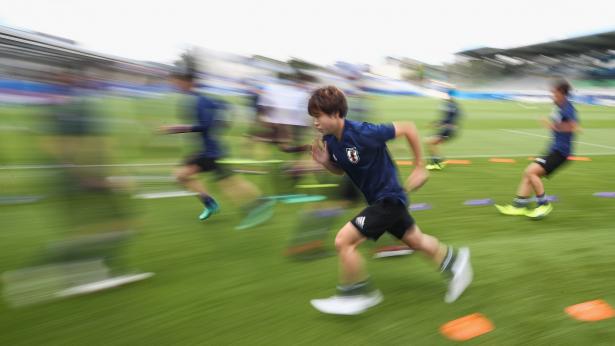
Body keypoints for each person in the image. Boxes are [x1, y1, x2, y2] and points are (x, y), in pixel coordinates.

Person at [307, 86, 472, 315]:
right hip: (378, 202)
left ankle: (357, 293)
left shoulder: (364, 132)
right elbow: (341, 170)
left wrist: (419, 167)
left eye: (319, 116)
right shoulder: (331, 141)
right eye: (313, 116)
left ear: (335, 114)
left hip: (390, 199)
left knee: (344, 241)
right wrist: (326, 162)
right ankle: (456, 263)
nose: (315, 122)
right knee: (416, 241)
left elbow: (408, 128)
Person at [160, 67, 273, 229]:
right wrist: (223, 124)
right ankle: (221, 202)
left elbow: (205, 125)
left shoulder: (199, 101)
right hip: (207, 149)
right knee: (189, 176)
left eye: (177, 82)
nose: (175, 85)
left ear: (187, 82)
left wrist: (178, 128)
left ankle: (255, 203)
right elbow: (226, 107)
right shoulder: (201, 99)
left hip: (209, 151)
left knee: (225, 182)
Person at [495, 78, 578, 219]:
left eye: (554, 92)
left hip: (561, 152)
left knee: (531, 172)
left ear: (562, 93)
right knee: (528, 174)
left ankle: (544, 205)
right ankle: (519, 206)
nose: (552, 95)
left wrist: (552, 126)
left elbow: (574, 127)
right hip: (554, 149)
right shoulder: (560, 107)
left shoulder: (568, 109)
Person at [425, 89, 461, 171]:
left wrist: (440, 123)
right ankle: (439, 161)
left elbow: (449, 119)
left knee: (430, 142)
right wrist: (439, 123)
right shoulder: (452, 105)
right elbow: (451, 117)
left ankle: (437, 163)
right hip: (448, 129)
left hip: (448, 130)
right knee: (432, 142)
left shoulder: (451, 105)